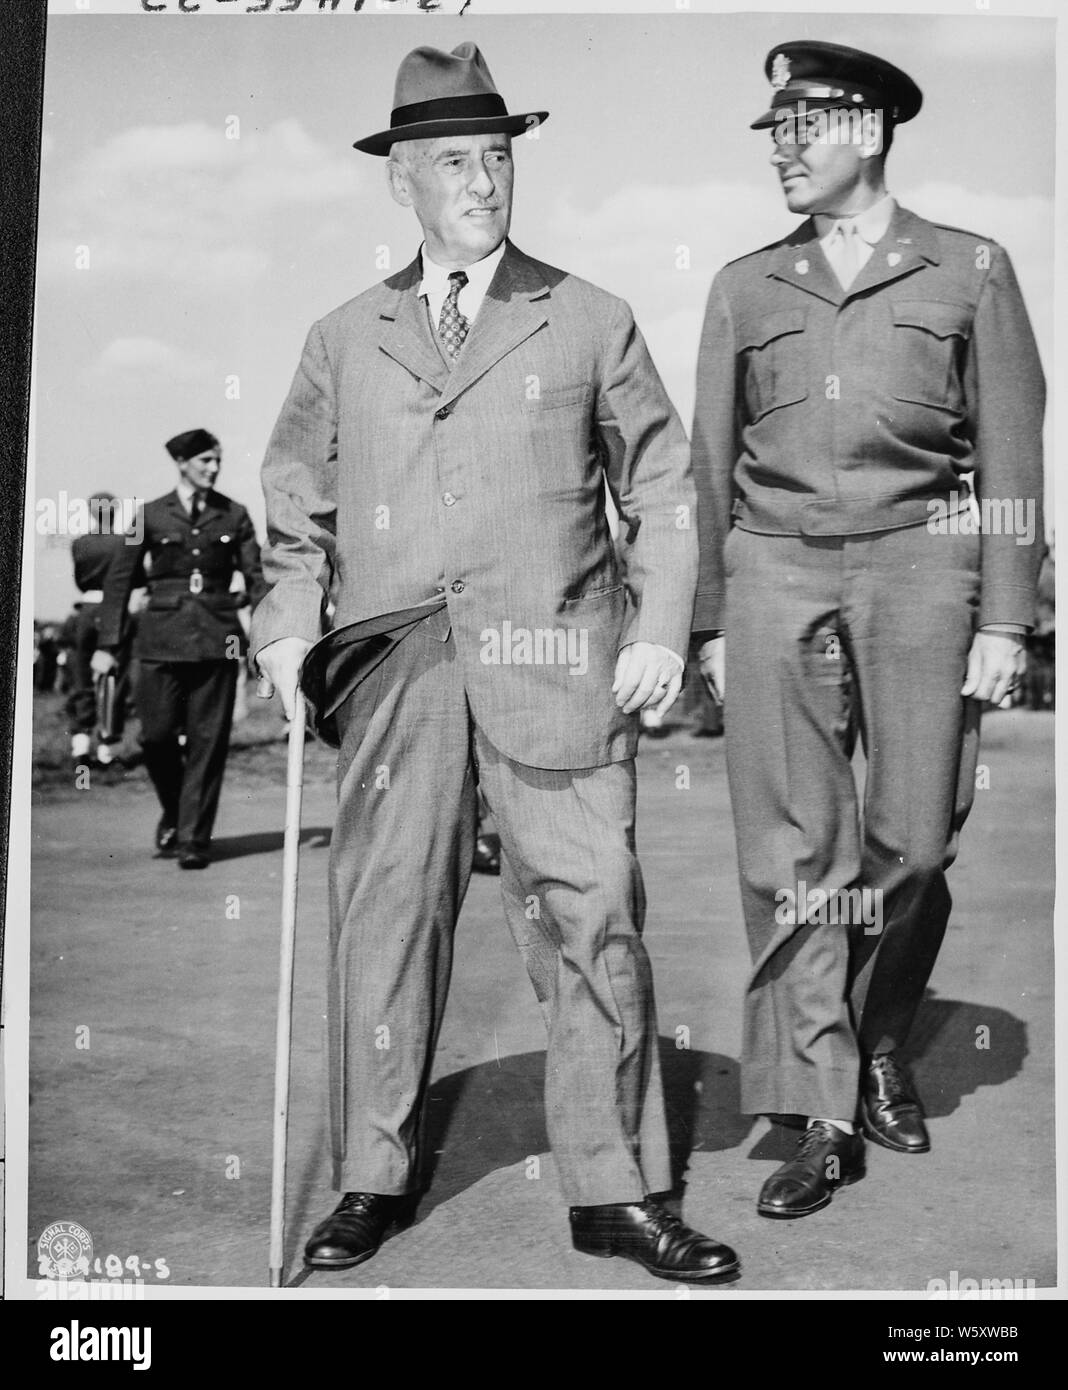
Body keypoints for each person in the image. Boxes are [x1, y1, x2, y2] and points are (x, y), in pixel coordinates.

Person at [254, 41, 738, 1283]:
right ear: (399, 182)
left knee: (595, 920)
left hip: (560, 668)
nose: (484, 181)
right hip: (394, 676)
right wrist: (287, 626)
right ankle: (371, 1174)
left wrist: (655, 627)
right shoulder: (341, 338)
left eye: (499, 157)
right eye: (456, 161)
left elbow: (666, 489)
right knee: (387, 930)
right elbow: (295, 505)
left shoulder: (588, 316)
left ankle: (615, 1188)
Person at [691, 41, 1044, 1219]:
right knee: (794, 852)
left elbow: (1010, 455)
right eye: (773, 128)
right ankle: (826, 1108)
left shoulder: (970, 268)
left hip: (923, 570)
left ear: (876, 130)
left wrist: (1008, 613)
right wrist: (707, 619)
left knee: (917, 843)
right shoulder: (747, 285)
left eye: (808, 124)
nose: (784, 148)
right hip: (776, 571)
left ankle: (883, 1029)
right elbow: (706, 467)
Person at [93, 430, 266, 869]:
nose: (213, 468)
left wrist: (267, 638)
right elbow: (118, 582)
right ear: (183, 462)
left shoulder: (236, 515)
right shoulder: (147, 515)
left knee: (208, 742)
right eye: (205, 460)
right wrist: (107, 645)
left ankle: (193, 838)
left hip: (218, 639)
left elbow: (257, 579)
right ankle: (175, 811)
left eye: (218, 461)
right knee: (155, 737)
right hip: (158, 640)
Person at [65, 493, 130, 772]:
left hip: (87, 611)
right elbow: (134, 578)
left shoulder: (80, 543)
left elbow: (80, 580)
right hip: (113, 609)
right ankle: (107, 750)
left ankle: (80, 748)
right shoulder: (124, 542)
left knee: (81, 678)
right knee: (114, 679)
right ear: (114, 512)